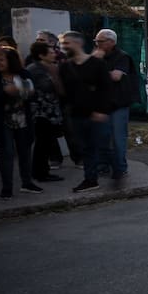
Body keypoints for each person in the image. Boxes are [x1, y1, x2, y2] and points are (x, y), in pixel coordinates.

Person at [58, 32, 112, 193]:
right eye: (62, 43)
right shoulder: (65, 67)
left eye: (67, 43)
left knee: (102, 147)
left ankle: (116, 173)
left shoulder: (96, 64)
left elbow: (106, 89)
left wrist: (102, 110)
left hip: (96, 114)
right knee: (86, 148)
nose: (64, 46)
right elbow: (65, 92)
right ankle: (91, 179)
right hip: (76, 114)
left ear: (78, 43)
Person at [0, 46, 40, 200]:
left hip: (23, 119)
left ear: (11, 61)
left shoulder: (24, 74)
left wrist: (28, 92)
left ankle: (27, 183)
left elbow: (32, 94)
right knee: (7, 154)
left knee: (25, 152)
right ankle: (7, 188)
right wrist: (5, 93)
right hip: (2, 121)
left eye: (1, 59)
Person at [93, 29, 139, 182]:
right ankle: (103, 166)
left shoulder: (122, 56)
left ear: (111, 42)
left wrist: (96, 67)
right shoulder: (96, 56)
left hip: (118, 103)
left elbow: (116, 76)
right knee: (102, 137)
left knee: (118, 138)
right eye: (96, 42)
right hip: (101, 103)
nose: (97, 44)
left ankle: (120, 167)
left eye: (100, 41)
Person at [25, 41, 65, 182]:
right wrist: (56, 75)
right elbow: (49, 88)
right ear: (41, 55)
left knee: (45, 143)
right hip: (42, 114)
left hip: (47, 112)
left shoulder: (43, 67)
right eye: (51, 52)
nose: (55, 53)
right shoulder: (37, 70)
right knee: (43, 144)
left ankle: (42, 171)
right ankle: (40, 173)